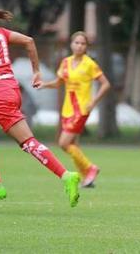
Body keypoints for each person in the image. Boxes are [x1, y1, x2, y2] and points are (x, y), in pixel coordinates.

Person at [0, 8, 80, 207]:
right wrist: (36, 71)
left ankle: (66, 175)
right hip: (11, 89)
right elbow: (29, 41)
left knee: (28, 143)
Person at [38, 31, 110, 187]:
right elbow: (59, 83)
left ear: (86, 47)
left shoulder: (90, 64)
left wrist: (94, 101)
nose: (79, 46)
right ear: (71, 44)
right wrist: (44, 85)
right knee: (73, 145)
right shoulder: (66, 62)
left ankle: (91, 168)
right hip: (67, 109)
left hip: (81, 109)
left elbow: (105, 84)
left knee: (63, 143)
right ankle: (87, 178)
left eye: (83, 43)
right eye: (76, 42)